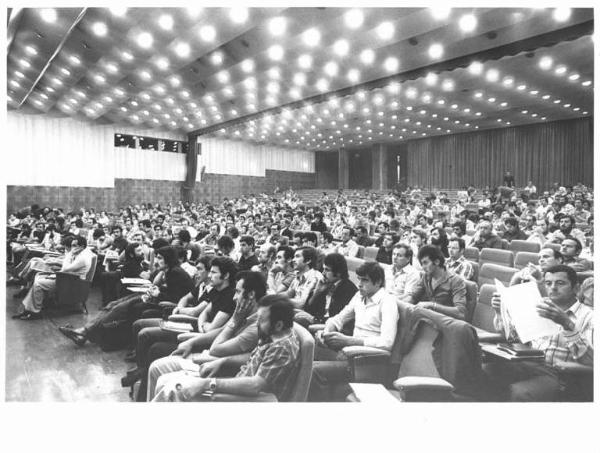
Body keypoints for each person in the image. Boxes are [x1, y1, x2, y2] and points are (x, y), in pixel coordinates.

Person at [133, 270, 265, 400]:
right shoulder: (243, 313)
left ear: (251, 294)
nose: (234, 297)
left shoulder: (253, 326)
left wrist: (234, 321)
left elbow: (216, 349)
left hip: (218, 365)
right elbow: (219, 331)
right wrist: (192, 342)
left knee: (158, 369)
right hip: (210, 357)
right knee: (156, 366)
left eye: (238, 292)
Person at [150, 294, 300, 402]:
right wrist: (223, 362)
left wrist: (208, 383)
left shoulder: (282, 347)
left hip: (249, 398)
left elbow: (255, 385)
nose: (257, 324)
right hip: (237, 384)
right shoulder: (274, 333)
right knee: (165, 381)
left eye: (261, 320)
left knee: (173, 389)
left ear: (279, 324)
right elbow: (255, 361)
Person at [486, 265, 593, 401]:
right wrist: (499, 312)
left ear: (576, 288)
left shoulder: (590, 317)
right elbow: (512, 338)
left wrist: (567, 324)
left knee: (521, 392)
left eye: (560, 283)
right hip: (528, 362)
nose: (553, 288)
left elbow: (592, 360)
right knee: (487, 370)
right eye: (548, 283)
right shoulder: (539, 306)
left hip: (559, 374)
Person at [57, 246, 194, 344]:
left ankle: (85, 332)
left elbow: (177, 297)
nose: (157, 261)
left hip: (166, 304)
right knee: (113, 304)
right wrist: (159, 282)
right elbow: (158, 284)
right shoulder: (169, 270)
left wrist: (159, 293)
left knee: (118, 308)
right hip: (156, 297)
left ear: (168, 259)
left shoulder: (175, 272)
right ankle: (85, 331)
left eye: (160, 258)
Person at [310, 261, 399, 401]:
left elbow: (387, 342)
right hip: (349, 354)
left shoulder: (387, 302)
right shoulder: (359, 296)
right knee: (308, 362)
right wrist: (327, 332)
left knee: (315, 371)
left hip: (368, 361)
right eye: (359, 279)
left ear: (378, 282)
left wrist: (349, 341)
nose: (359, 284)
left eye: (365, 280)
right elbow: (338, 319)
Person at [13, 235, 95, 320]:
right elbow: (66, 269)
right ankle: (30, 309)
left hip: (72, 283)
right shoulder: (81, 253)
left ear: (82, 246)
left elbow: (65, 269)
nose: (72, 248)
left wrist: (70, 254)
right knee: (38, 277)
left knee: (39, 284)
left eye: (74, 245)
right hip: (68, 278)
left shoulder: (82, 258)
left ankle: (34, 311)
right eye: (72, 245)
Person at [400, 245, 467, 321]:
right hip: (429, 319)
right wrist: (398, 303)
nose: (423, 267)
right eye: (421, 264)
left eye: (425, 263)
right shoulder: (426, 276)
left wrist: (432, 305)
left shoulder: (456, 281)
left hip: (447, 322)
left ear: (437, 262)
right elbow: (413, 296)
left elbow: (461, 312)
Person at [293, 253, 357, 328]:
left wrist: (314, 319)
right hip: (319, 321)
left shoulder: (348, 290)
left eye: (327, 270)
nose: (323, 273)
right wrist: (317, 292)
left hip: (331, 327)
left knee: (297, 321)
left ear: (339, 273)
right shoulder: (326, 284)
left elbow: (336, 318)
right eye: (323, 269)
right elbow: (308, 308)